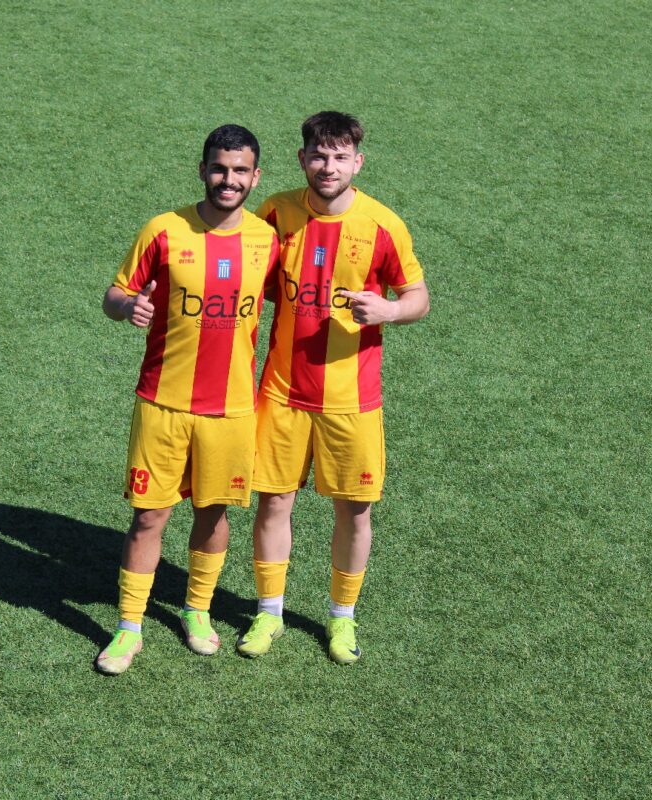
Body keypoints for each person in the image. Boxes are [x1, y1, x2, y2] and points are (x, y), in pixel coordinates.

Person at [237, 111, 430, 665]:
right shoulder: (276, 212)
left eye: (340, 157)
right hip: (282, 393)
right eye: (319, 156)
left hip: (352, 400)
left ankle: (342, 617)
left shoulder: (384, 225)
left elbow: (418, 297)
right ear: (302, 159)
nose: (329, 166)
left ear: (357, 163)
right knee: (274, 502)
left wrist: (389, 310)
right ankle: (269, 613)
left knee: (355, 511)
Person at [95, 124, 279, 675]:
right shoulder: (164, 229)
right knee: (149, 516)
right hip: (163, 402)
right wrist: (127, 308)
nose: (228, 179)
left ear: (256, 177)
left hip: (232, 409)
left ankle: (197, 610)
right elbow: (114, 294)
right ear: (202, 169)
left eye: (240, 171)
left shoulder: (268, 240)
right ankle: (129, 627)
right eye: (219, 168)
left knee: (213, 512)